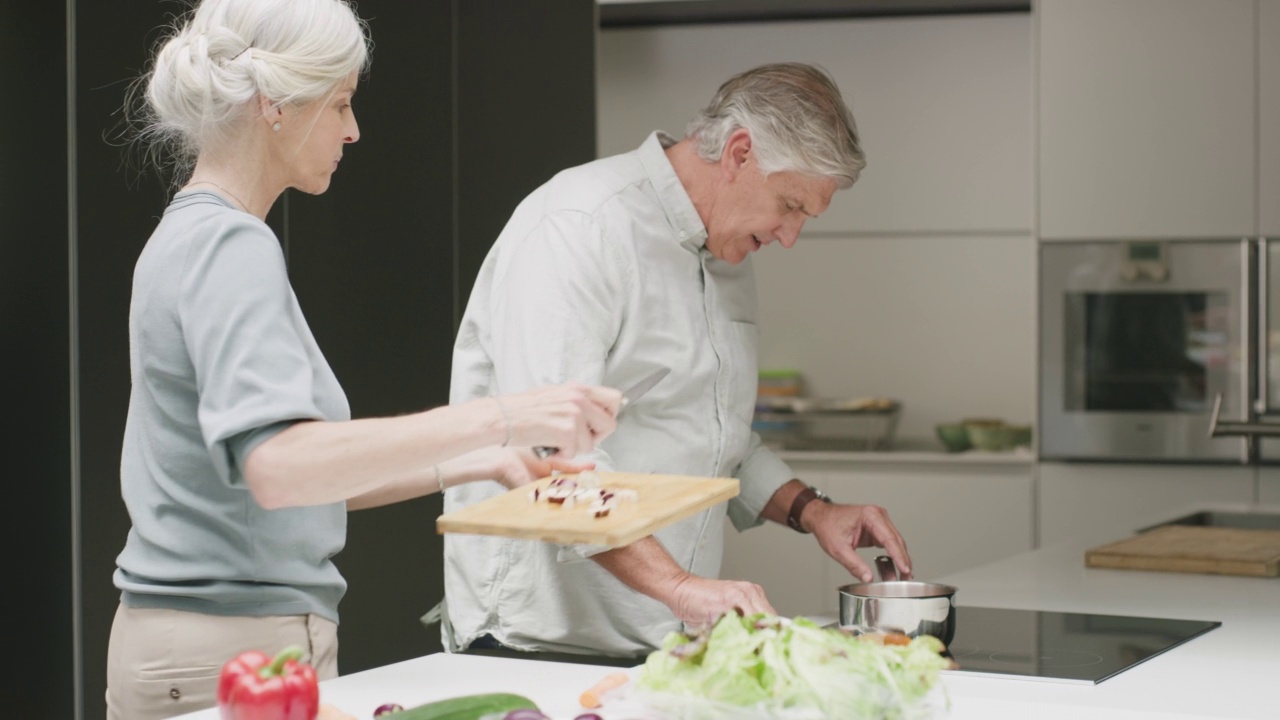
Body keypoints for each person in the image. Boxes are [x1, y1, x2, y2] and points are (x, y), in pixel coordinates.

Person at [105, 1, 621, 718]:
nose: (354, 128)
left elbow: (295, 479)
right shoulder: (230, 247)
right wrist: (501, 413)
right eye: (341, 103)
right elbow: (281, 467)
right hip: (227, 650)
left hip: (209, 645)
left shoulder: (192, 233)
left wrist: (489, 460)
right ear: (274, 107)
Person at [444, 62, 913, 657]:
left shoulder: (727, 251)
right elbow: (551, 457)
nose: (789, 236)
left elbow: (713, 434)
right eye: (789, 205)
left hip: (666, 641)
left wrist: (813, 510)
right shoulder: (579, 226)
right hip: (540, 645)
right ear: (739, 154)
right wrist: (680, 586)